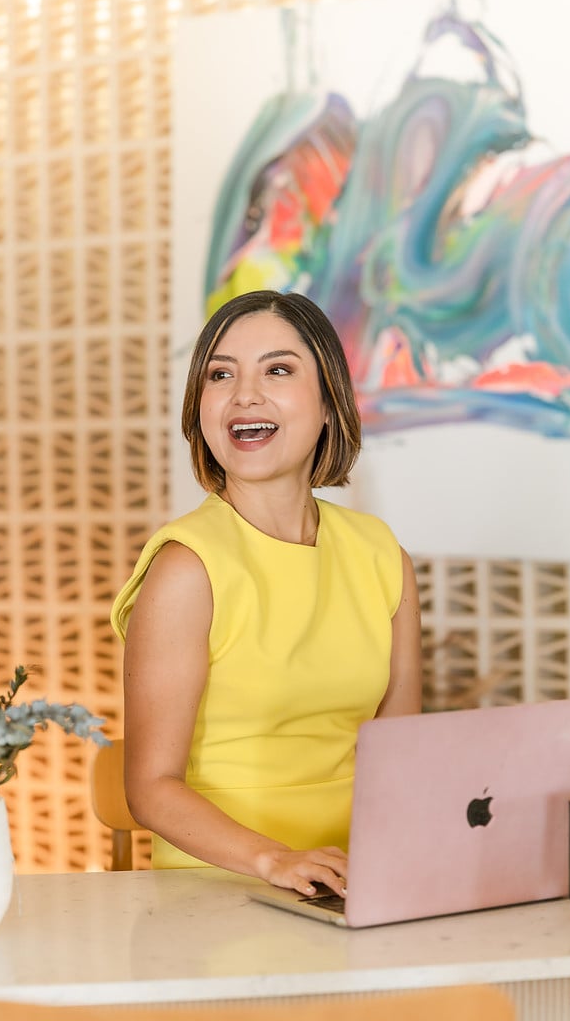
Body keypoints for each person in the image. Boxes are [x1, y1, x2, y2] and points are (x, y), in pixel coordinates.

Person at [111, 290, 422, 898]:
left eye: (277, 370)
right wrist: (274, 860)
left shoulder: (384, 557)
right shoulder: (186, 569)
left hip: (353, 887)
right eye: (219, 375)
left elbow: (400, 756)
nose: (243, 395)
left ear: (330, 402)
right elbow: (150, 787)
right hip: (218, 890)